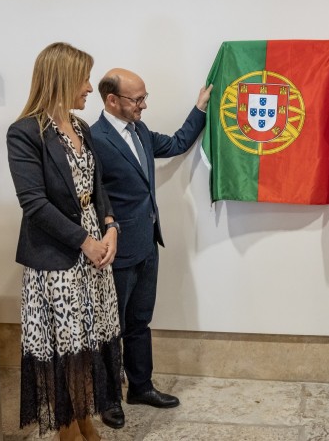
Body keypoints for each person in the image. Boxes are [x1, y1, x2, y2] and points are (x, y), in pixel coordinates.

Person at [6, 42, 122, 441]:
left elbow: (97, 185)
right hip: (57, 258)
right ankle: (67, 431)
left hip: (94, 251)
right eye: (84, 78)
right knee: (65, 349)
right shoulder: (25, 133)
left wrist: (109, 227)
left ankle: (86, 421)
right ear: (62, 79)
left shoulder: (83, 128)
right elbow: (34, 204)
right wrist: (84, 242)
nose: (90, 87)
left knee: (90, 343)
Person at [89, 68, 212, 429]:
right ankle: (109, 398)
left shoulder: (140, 130)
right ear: (112, 100)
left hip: (148, 243)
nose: (143, 105)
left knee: (140, 321)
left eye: (145, 98)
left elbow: (175, 144)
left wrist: (200, 108)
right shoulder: (93, 138)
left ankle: (140, 387)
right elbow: (94, 196)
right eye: (136, 99)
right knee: (112, 327)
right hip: (115, 250)